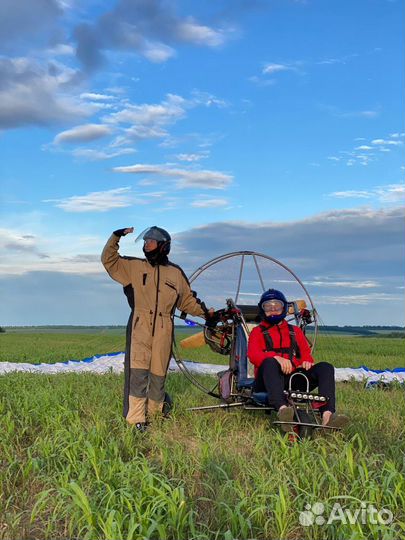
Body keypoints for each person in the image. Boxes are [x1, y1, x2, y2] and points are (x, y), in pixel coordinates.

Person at [101, 226, 213, 431]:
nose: (146, 245)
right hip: (139, 325)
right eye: (145, 242)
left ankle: (154, 416)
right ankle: (136, 420)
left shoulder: (175, 273)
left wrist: (208, 315)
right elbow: (109, 261)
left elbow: (187, 301)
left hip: (164, 327)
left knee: (158, 374)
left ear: (163, 246)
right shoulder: (133, 267)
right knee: (138, 374)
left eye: (150, 242)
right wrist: (115, 236)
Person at [247, 289, 348, 431]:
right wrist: (275, 358)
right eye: (268, 307)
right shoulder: (257, 332)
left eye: (277, 307)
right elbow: (253, 355)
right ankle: (283, 411)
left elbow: (306, 354)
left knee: (326, 367)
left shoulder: (295, 331)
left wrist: (306, 361)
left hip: (292, 378)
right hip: (266, 381)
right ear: (262, 310)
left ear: (284, 308)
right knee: (270, 362)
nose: (273, 310)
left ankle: (327, 417)